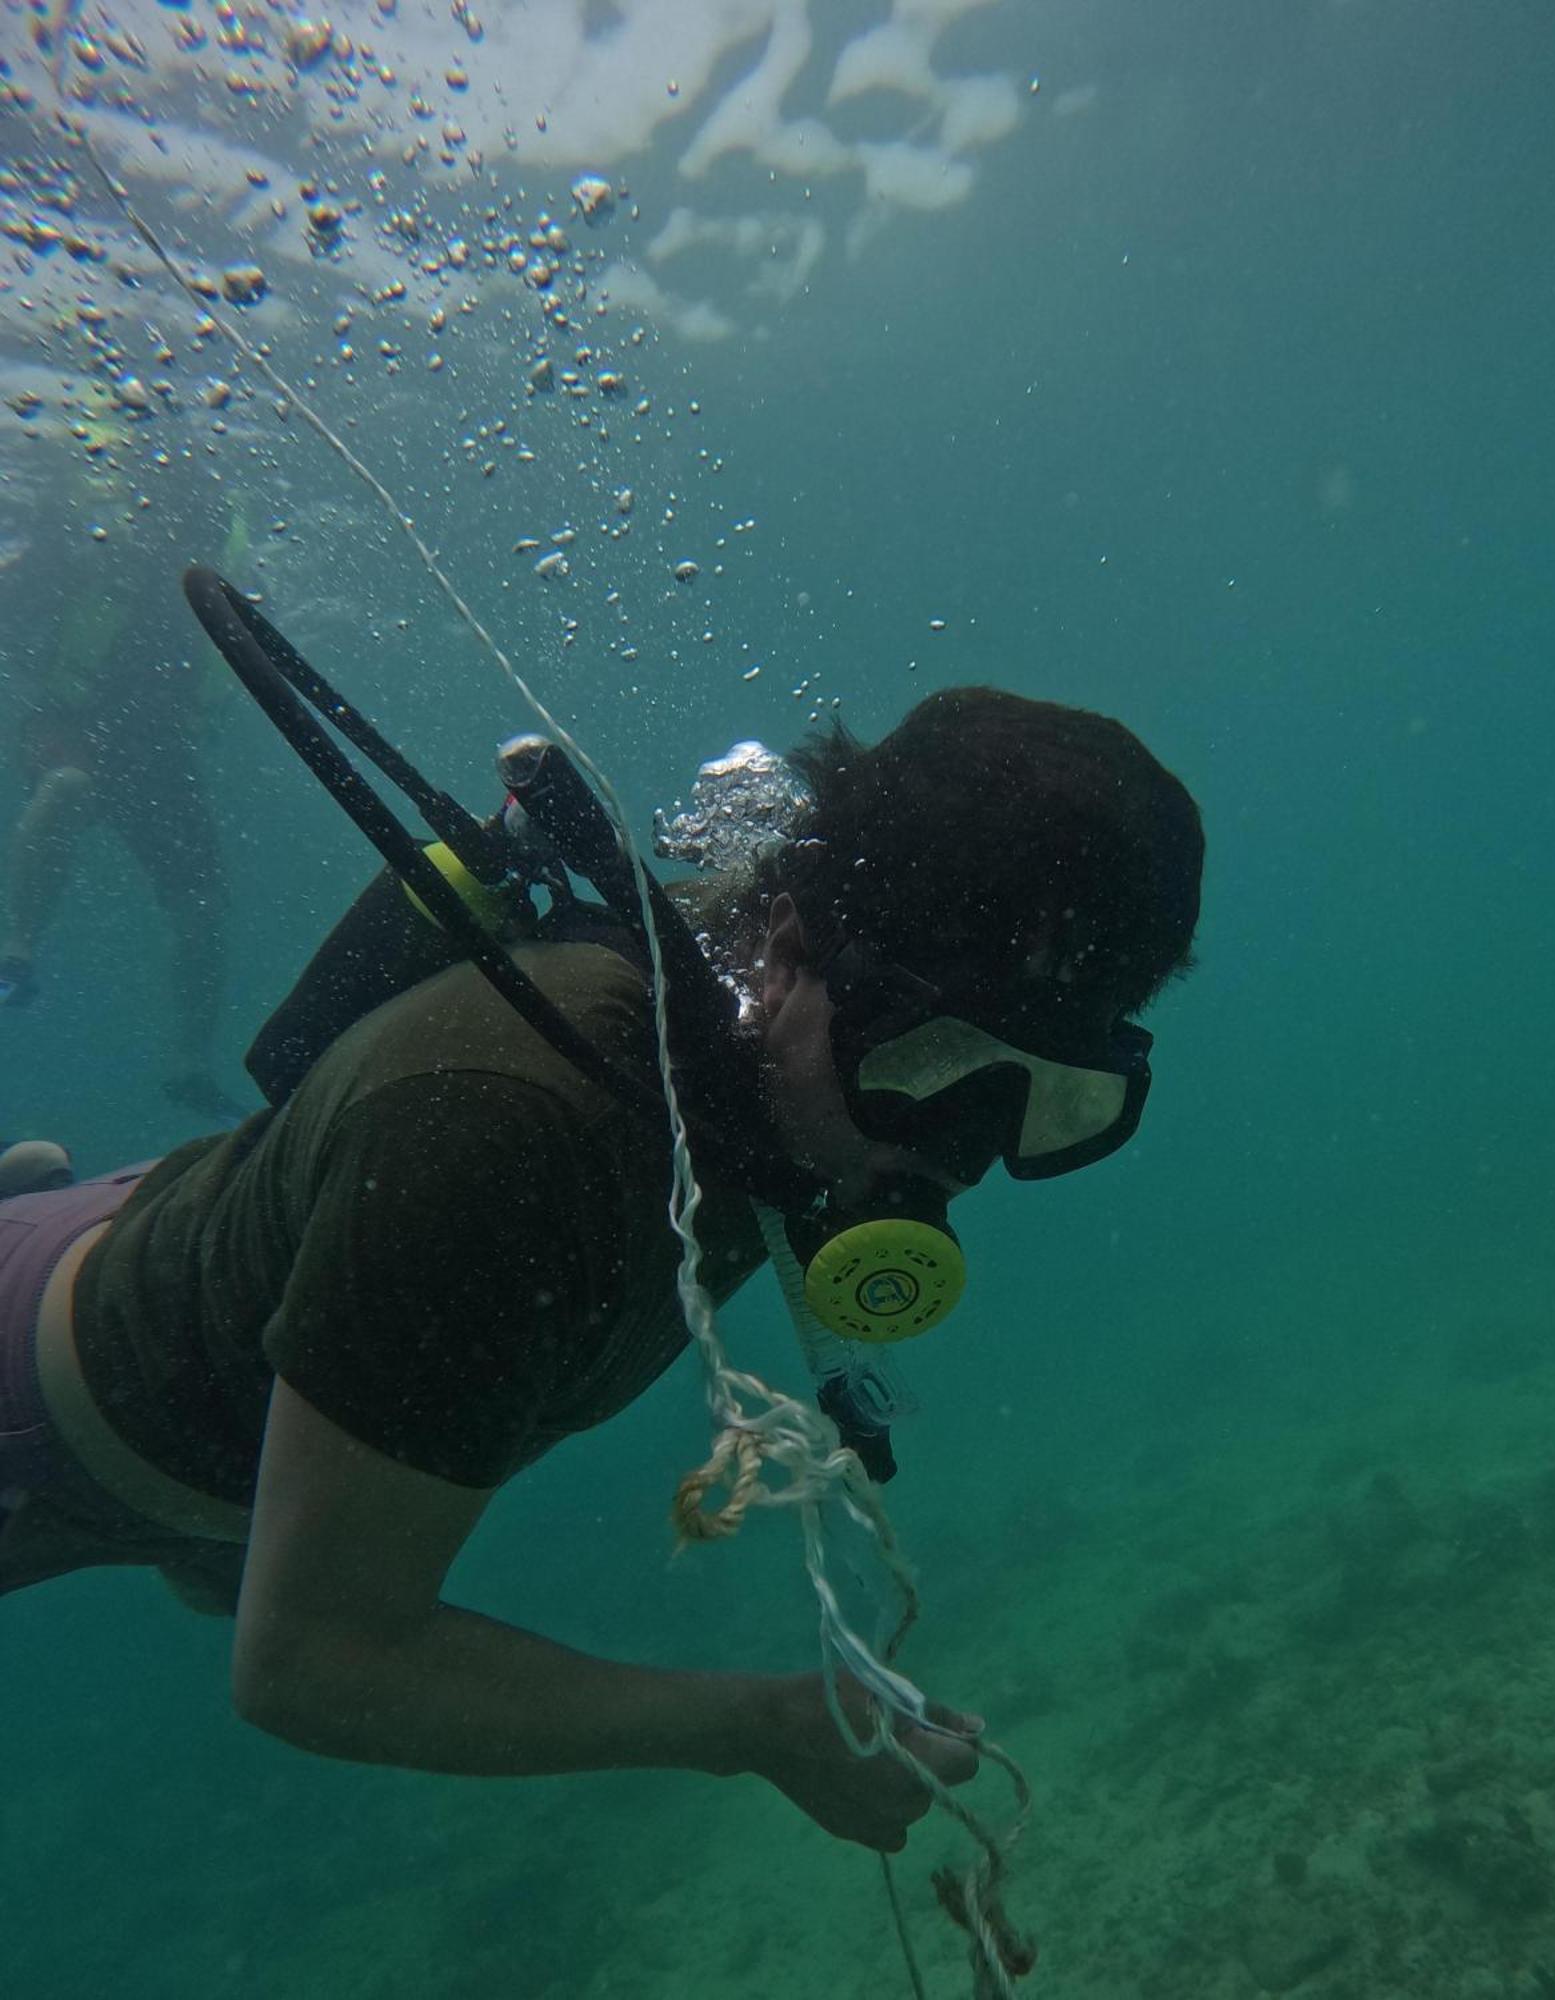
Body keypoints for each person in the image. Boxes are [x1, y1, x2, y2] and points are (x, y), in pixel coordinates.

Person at [0, 685, 1203, 1853]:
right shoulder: (516, 1131)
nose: (959, 1150)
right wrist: (758, 1728)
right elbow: (314, 1660)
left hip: (204, 1322)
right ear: (786, 944)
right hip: (48, 1416)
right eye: (931, 1058)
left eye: (1048, 1096)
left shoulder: (757, 1049)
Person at [0, 429, 243, 1123]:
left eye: (197, 524)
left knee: (201, 909)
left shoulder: (216, 592)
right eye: (173, 519)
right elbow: (21, 609)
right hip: (72, 724)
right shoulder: (90, 559)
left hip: (160, 751)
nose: (182, 536)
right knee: (68, 789)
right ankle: (17, 952)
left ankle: (189, 1066)